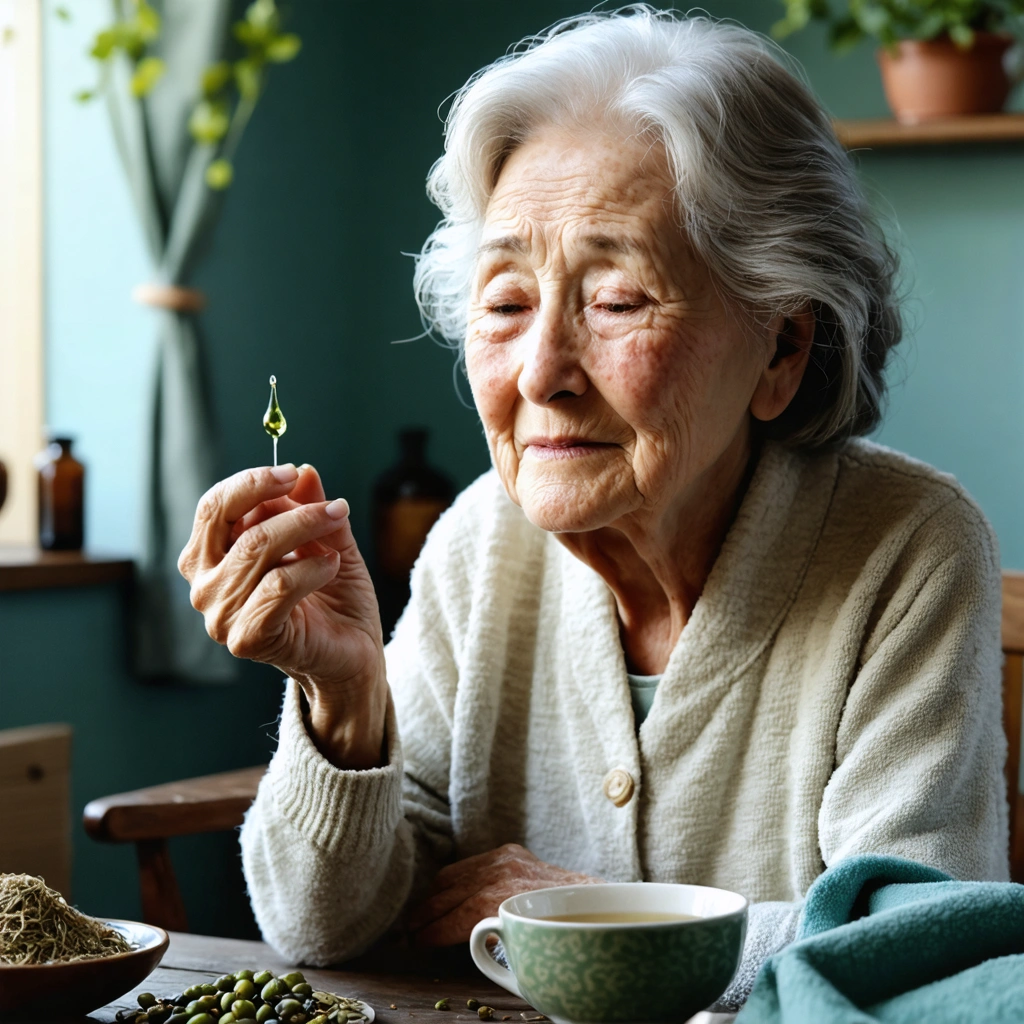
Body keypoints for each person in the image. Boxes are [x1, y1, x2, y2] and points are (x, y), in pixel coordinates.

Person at [178, 7, 1008, 1009]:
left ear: (783, 350)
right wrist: (345, 698)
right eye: (505, 304)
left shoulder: (902, 547)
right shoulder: (482, 541)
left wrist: (612, 910)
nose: (541, 373)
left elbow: (918, 943)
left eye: (616, 301)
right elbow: (323, 923)